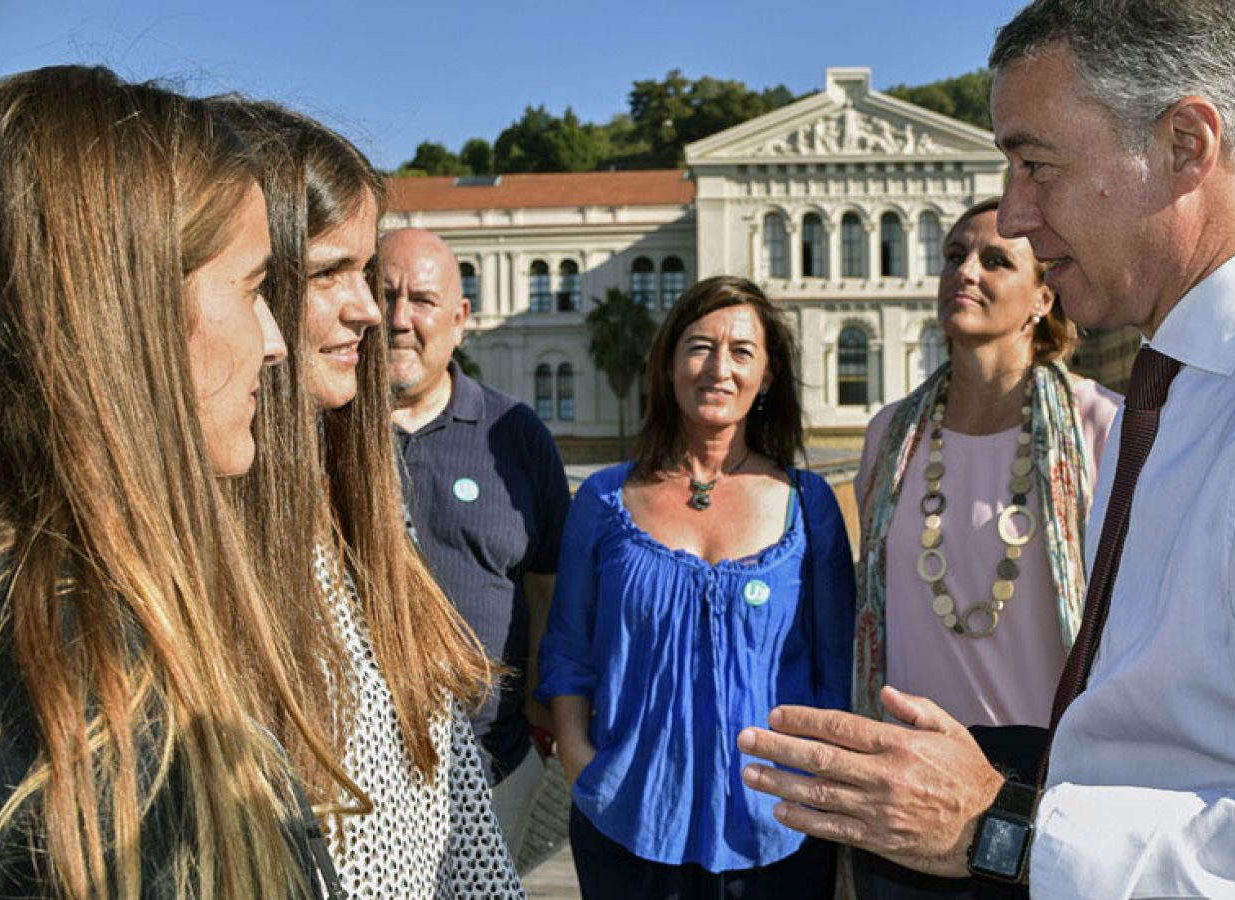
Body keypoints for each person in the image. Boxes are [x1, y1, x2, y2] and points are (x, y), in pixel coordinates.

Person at [738, 1, 1235, 896]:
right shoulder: (1191, 387)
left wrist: (997, 831)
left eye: (1037, 165)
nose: (1013, 216)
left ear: (1185, 143)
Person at [0, 66, 352, 897]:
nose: (275, 343)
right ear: (128, 308)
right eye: (256, 288)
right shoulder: (60, 661)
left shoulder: (37, 608)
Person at [211, 99, 523, 898]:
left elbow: (450, 780)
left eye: (365, 269)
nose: (370, 310)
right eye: (329, 273)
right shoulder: (205, 545)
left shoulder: (365, 485)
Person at [537, 276, 854, 898]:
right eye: (699, 346)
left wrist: (822, 794)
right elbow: (569, 652)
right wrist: (580, 760)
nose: (719, 367)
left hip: (779, 829)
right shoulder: (605, 498)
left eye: (742, 351)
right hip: (627, 820)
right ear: (669, 365)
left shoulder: (808, 506)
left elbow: (836, 670)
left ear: (767, 377)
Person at [851, 198, 1119, 897]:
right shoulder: (889, 437)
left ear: (1043, 295)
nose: (965, 272)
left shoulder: (1102, 429)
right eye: (954, 256)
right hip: (910, 772)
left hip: (1056, 779)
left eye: (995, 259)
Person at [383, 226, 571, 861]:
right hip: (353, 775)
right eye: (384, 296)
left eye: (422, 300)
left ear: (460, 319)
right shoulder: (315, 429)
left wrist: (548, 730)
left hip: (498, 764)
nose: (399, 319)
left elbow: (548, 591)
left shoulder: (515, 435)